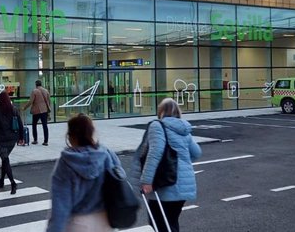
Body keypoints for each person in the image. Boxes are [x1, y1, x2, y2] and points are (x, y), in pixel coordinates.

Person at [129, 98, 202, 232]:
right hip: (183, 187)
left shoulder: (157, 126)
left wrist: (146, 181)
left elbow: (155, 153)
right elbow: (196, 152)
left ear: (161, 111)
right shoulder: (183, 128)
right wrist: (181, 165)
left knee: (159, 224)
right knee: (171, 223)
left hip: (165, 185)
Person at [46, 113, 123, 232]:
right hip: (106, 221)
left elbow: (60, 205)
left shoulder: (66, 163)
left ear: (70, 136)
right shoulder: (107, 154)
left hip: (79, 223)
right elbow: (120, 178)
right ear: (91, 132)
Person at [0, 91, 24, 194]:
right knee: (5, 160)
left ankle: (13, 182)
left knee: (5, 159)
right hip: (12, 139)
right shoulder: (14, 110)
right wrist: (21, 137)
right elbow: (20, 124)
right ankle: (2, 181)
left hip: (0, 139)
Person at [22, 80, 52, 145]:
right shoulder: (46, 91)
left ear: (36, 84)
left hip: (36, 111)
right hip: (44, 110)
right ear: (41, 84)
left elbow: (31, 101)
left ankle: (35, 140)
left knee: (34, 125)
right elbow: (49, 101)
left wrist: (25, 107)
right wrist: (48, 109)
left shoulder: (34, 91)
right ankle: (46, 141)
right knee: (45, 126)